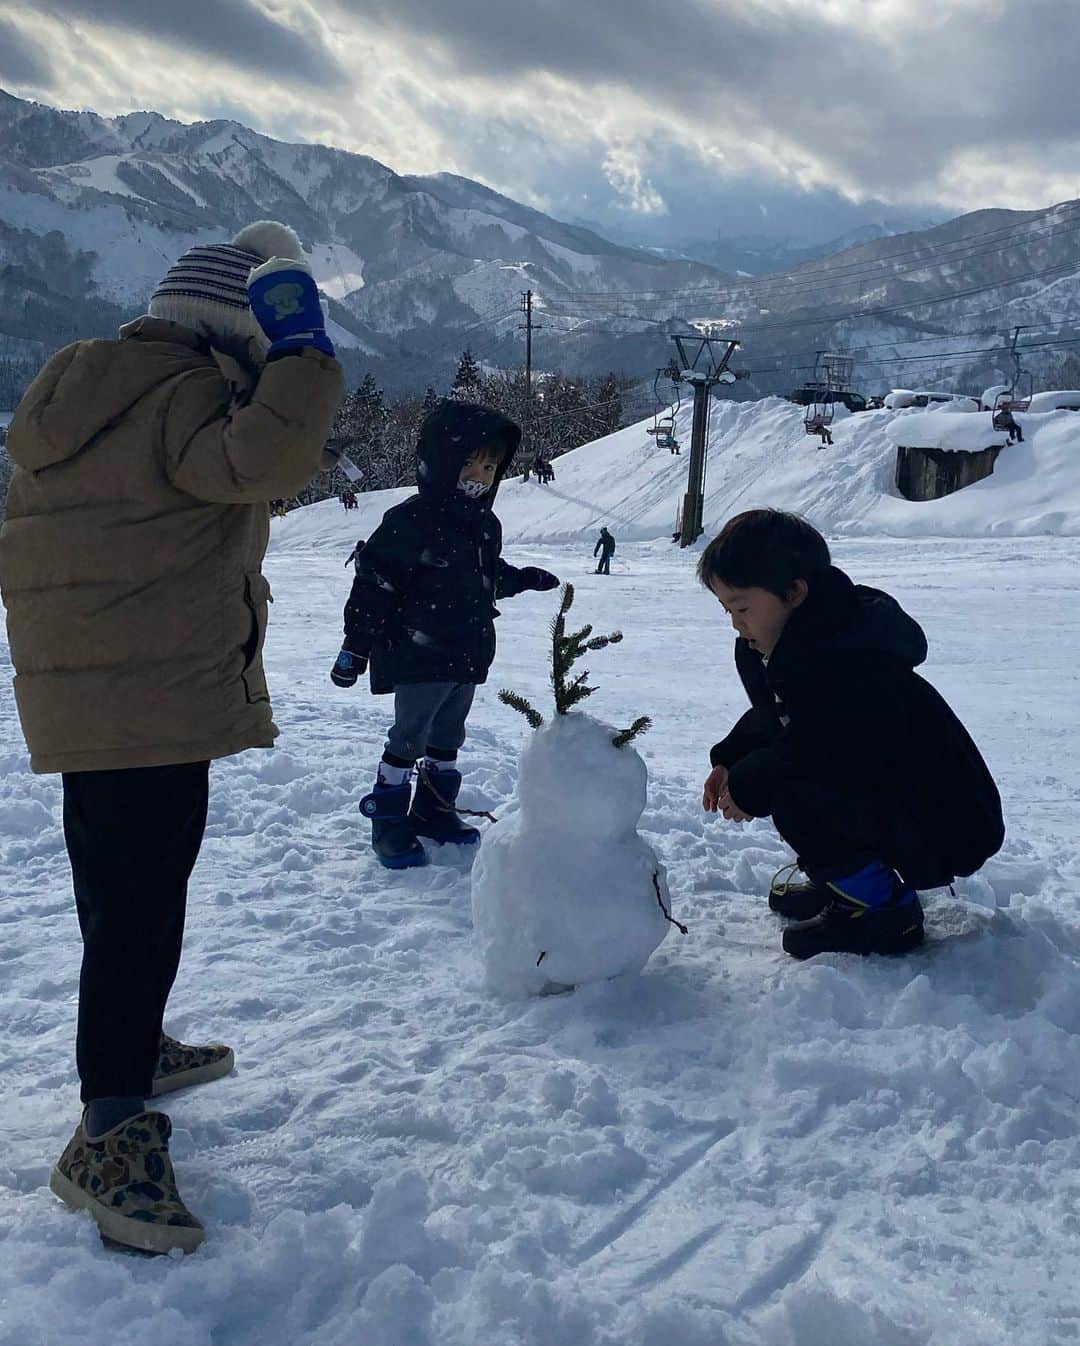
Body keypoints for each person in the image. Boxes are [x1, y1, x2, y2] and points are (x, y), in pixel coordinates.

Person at [0, 220, 344, 1255]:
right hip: (148, 696)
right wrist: (302, 350)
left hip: (86, 696)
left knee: (118, 893)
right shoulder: (187, 394)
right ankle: (107, 1133)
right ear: (225, 338)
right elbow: (269, 453)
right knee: (138, 909)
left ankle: (135, 1048)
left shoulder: (78, 393)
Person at [698, 509, 1003, 960]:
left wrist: (753, 781)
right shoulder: (789, 645)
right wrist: (731, 756)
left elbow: (830, 750)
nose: (735, 624)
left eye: (742, 608)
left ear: (795, 592)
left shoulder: (847, 659)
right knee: (794, 778)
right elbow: (779, 718)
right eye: (727, 610)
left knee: (795, 794)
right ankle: (847, 885)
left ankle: (880, 908)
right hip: (898, 798)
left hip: (945, 820)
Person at [330, 401, 559, 869]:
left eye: (490, 466)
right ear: (441, 461)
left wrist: (525, 579)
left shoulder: (483, 523)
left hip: (466, 652)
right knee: (409, 736)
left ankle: (434, 812)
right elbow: (376, 583)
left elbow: (485, 575)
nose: (480, 474)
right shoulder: (410, 519)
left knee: (448, 735)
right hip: (418, 650)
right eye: (469, 462)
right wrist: (355, 646)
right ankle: (389, 823)